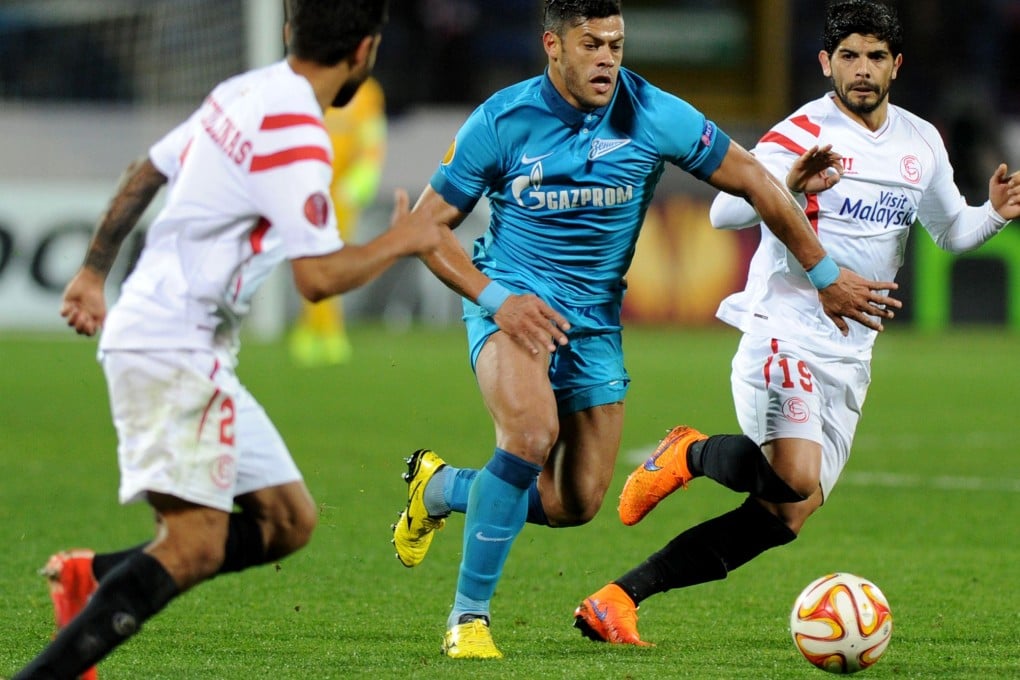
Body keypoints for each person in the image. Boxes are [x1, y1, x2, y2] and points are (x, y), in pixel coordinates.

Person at [389, 0, 901, 661]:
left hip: (594, 323)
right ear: (553, 45)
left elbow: (754, 180)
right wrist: (497, 300)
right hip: (510, 304)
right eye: (592, 44)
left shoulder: (651, 112)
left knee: (575, 502)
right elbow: (427, 229)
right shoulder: (502, 120)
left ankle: (438, 487)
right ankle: (468, 619)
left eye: (616, 44)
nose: (607, 58)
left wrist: (825, 272)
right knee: (529, 436)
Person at [13, 2, 443, 678]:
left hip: (185, 343)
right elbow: (318, 280)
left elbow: (144, 170)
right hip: (170, 346)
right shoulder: (301, 134)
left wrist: (94, 272)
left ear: (287, 32)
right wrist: (405, 239)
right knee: (193, 546)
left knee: (287, 521)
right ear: (365, 52)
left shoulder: (242, 91)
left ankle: (87, 577)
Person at [573, 0, 1020, 646]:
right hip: (784, 330)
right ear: (825, 62)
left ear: (897, 64)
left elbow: (951, 231)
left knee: (785, 514)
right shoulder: (799, 132)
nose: (861, 70)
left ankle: (619, 597)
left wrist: (996, 213)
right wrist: (786, 181)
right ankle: (692, 453)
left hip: (851, 355)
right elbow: (725, 213)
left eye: (874, 57)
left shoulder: (921, 141)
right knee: (797, 476)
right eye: (848, 57)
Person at [289, 76, 387, 366]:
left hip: (341, 190)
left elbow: (373, 138)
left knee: (331, 259)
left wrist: (363, 178)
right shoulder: (311, 86)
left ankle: (319, 331)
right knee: (312, 256)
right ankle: (319, 331)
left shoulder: (367, 91)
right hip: (309, 187)